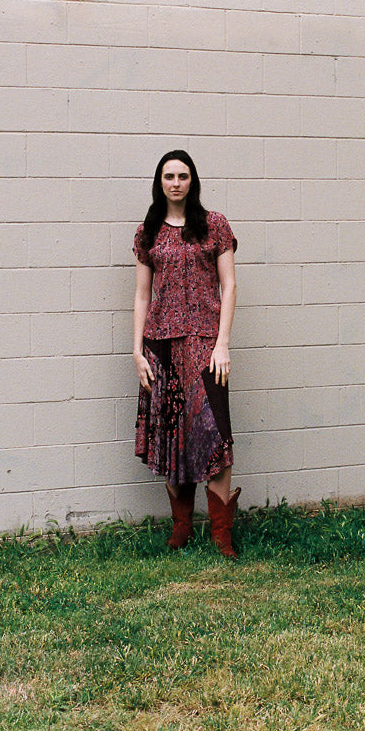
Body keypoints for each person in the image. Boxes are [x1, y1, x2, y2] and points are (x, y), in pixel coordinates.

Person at [133, 150, 240, 557]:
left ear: (193, 180)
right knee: (173, 437)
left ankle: (221, 535)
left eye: (182, 175)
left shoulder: (214, 225)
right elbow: (143, 294)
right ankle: (181, 528)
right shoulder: (148, 231)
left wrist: (223, 343)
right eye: (168, 176)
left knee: (215, 435)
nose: (175, 182)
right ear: (159, 182)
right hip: (161, 345)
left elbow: (229, 285)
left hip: (206, 345)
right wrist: (137, 351)